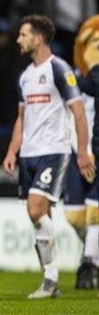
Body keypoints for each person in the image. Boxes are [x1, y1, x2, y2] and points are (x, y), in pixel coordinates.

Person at [3, 14, 95, 299]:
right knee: (40, 217)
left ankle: (53, 278)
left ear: (38, 38)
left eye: (23, 34)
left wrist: (81, 152)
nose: (18, 39)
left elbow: (78, 113)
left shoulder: (60, 69)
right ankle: (50, 279)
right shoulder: (25, 76)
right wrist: (11, 151)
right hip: (29, 154)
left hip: (53, 151)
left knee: (35, 210)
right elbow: (21, 117)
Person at [63, 93, 99, 288]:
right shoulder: (74, 78)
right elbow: (72, 115)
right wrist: (81, 151)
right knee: (74, 216)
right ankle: (92, 250)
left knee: (95, 213)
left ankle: (91, 261)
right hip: (75, 152)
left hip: (97, 150)